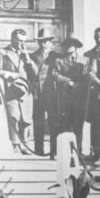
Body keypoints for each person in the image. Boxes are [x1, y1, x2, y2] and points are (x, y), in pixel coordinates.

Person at [0, 29, 38, 154]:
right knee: (14, 116)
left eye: (23, 41)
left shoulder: (26, 54)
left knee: (26, 118)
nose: (21, 44)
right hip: (11, 89)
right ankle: (15, 144)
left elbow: (35, 72)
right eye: (18, 41)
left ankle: (25, 144)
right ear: (12, 40)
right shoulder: (2, 53)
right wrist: (8, 74)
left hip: (25, 90)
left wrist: (28, 59)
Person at [52, 36, 88, 153]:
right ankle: (67, 151)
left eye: (71, 45)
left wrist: (80, 85)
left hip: (80, 98)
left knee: (79, 125)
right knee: (66, 125)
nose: (68, 48)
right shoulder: (59, 60)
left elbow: (88, 76)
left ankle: (79, 150)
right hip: (65, 97)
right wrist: (69, 82)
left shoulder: (84, 60)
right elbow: (56, 75)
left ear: (76, 47)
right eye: (66, 45)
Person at [30, 29, 58, 158]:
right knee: (38, 121)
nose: (44, 43)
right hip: (37, 93)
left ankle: (54, 151)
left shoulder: (55, 56)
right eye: (41, 41)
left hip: (51, 93)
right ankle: (39, 149)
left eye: (46, 41)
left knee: (53, 122)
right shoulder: (32, 56)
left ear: (50, 42)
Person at [84, 27, 100, 166]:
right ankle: (98, 153)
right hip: (98, 93)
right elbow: (90, 73)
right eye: (97, 37)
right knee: (98, 123)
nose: (99, 40)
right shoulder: (90, 54)